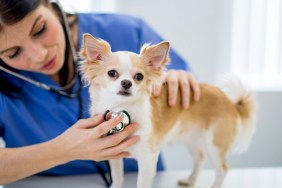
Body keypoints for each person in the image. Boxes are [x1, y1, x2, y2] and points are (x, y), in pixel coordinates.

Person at [0, 0, 200, 186]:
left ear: (49, 3)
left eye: (40, 30)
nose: (40, 55)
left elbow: (181, 86)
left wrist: (179, 80)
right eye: (13, 52)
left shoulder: (127, 31)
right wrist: (60, 151)